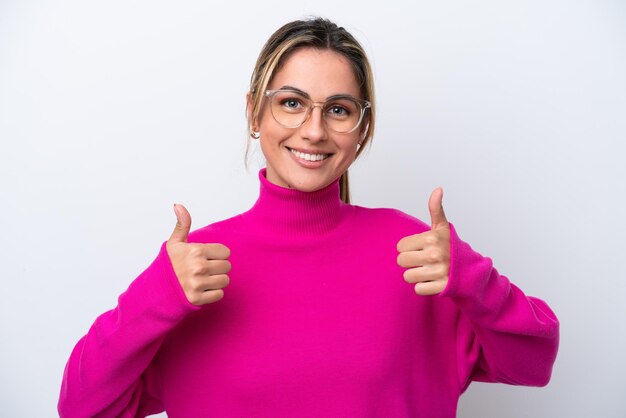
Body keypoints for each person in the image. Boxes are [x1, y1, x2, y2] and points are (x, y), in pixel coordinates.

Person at [58, 17, 559, 418]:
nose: (314, 130)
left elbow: (535, 363)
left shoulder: (417, 254)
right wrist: (157, 296)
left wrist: (472, 279)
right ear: (255, 113)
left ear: (361, 129)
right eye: (292, 103)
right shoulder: (196, 271)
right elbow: (81, 407)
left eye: (338, 110)